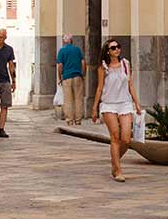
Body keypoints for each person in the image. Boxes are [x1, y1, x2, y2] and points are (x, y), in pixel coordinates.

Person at [92, 38, 141, 182]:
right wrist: (95, 108)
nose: (117, 49)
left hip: (125, 103)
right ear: (108, 52)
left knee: (126, 139)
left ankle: (114, 162)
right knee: (115, 136)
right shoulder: (103, 68)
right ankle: (118, 170)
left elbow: (130, 84)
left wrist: (136, 103)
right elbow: (100, 88)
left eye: (118, 47)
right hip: (109, 104)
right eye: (113, 48)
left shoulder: (126, 64)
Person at [55, 35, 85, 125]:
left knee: (68, 99)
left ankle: (69, 119)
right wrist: (83, 74)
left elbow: (60, 65)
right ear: (72, 41)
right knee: (78, 98)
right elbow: (83, 62)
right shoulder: (77, 50)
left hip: (67, 77)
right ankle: (78, 120)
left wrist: (60, 77)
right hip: (77, 76)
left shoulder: (62, 51)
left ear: (64, 42)